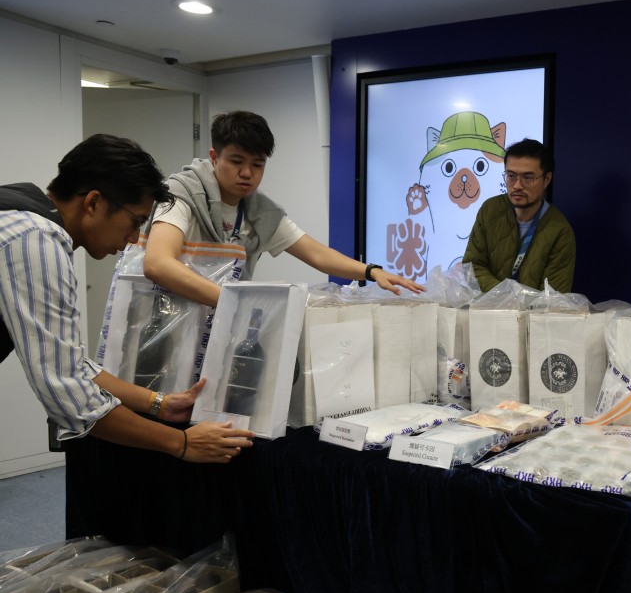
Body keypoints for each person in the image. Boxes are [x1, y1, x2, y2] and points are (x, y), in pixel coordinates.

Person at [0, 134, 255, 463]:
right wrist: (182, 443)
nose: (135, 238)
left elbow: (71, 364)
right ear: (94, 203)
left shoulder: (19, 212)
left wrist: (158, 404)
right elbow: (70, 395)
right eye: (135, 221)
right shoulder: (36, 240)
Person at [143, 111, 423, 307]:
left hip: (218, 328)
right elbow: (157, 263)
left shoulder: (260, 211)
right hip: (167, 323)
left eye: (257, 164)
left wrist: (371, 271)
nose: (247, 173)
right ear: (214, 158)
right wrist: (232, 302)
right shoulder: (180, 194)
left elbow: (317, 254)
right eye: (237, 161)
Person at [462, 138, 575, 292]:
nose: (517, 185)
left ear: (547, 179)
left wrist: (514, 300)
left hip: (531, 309)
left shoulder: (560, 231)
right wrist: (505, 296)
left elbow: (554, 295)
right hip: (488, 306)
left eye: (527, 178)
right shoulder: (490, 210)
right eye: (511, 176)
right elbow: (472, 266)